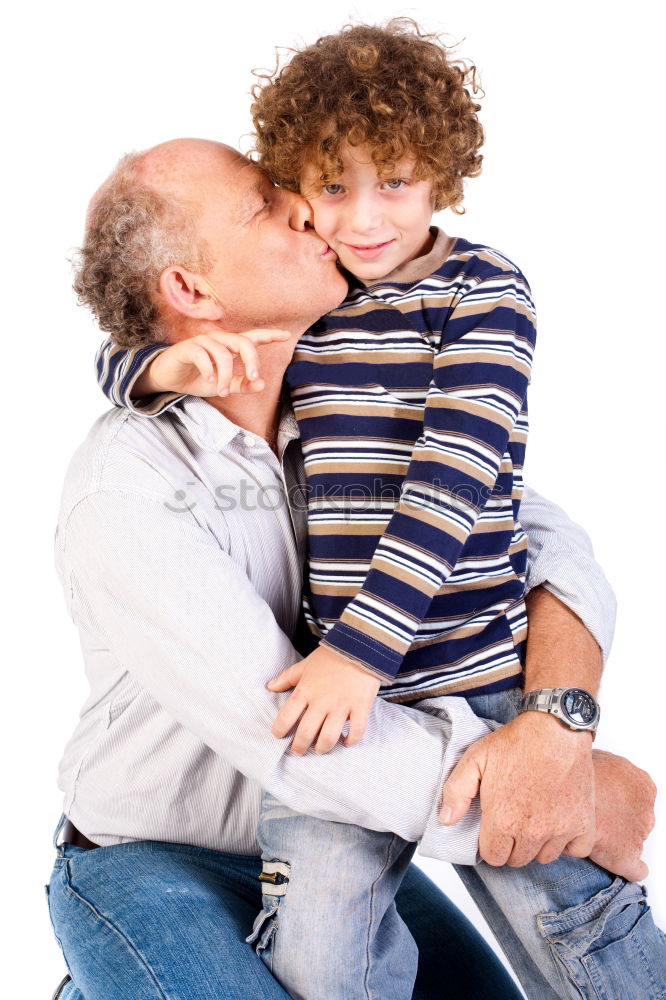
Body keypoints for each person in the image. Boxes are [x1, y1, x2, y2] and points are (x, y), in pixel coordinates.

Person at [91, 23, 665, 1000]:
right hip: (328, 732)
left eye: (393, 182)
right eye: (320, 191)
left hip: (469, 679)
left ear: (441, 175)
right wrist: (156, 368)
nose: (352, 223)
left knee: (580, 934)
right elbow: (133, 336)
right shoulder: (304, 318)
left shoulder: (468, 292)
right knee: (319, 952)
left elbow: (474, 486)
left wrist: (533, 719)